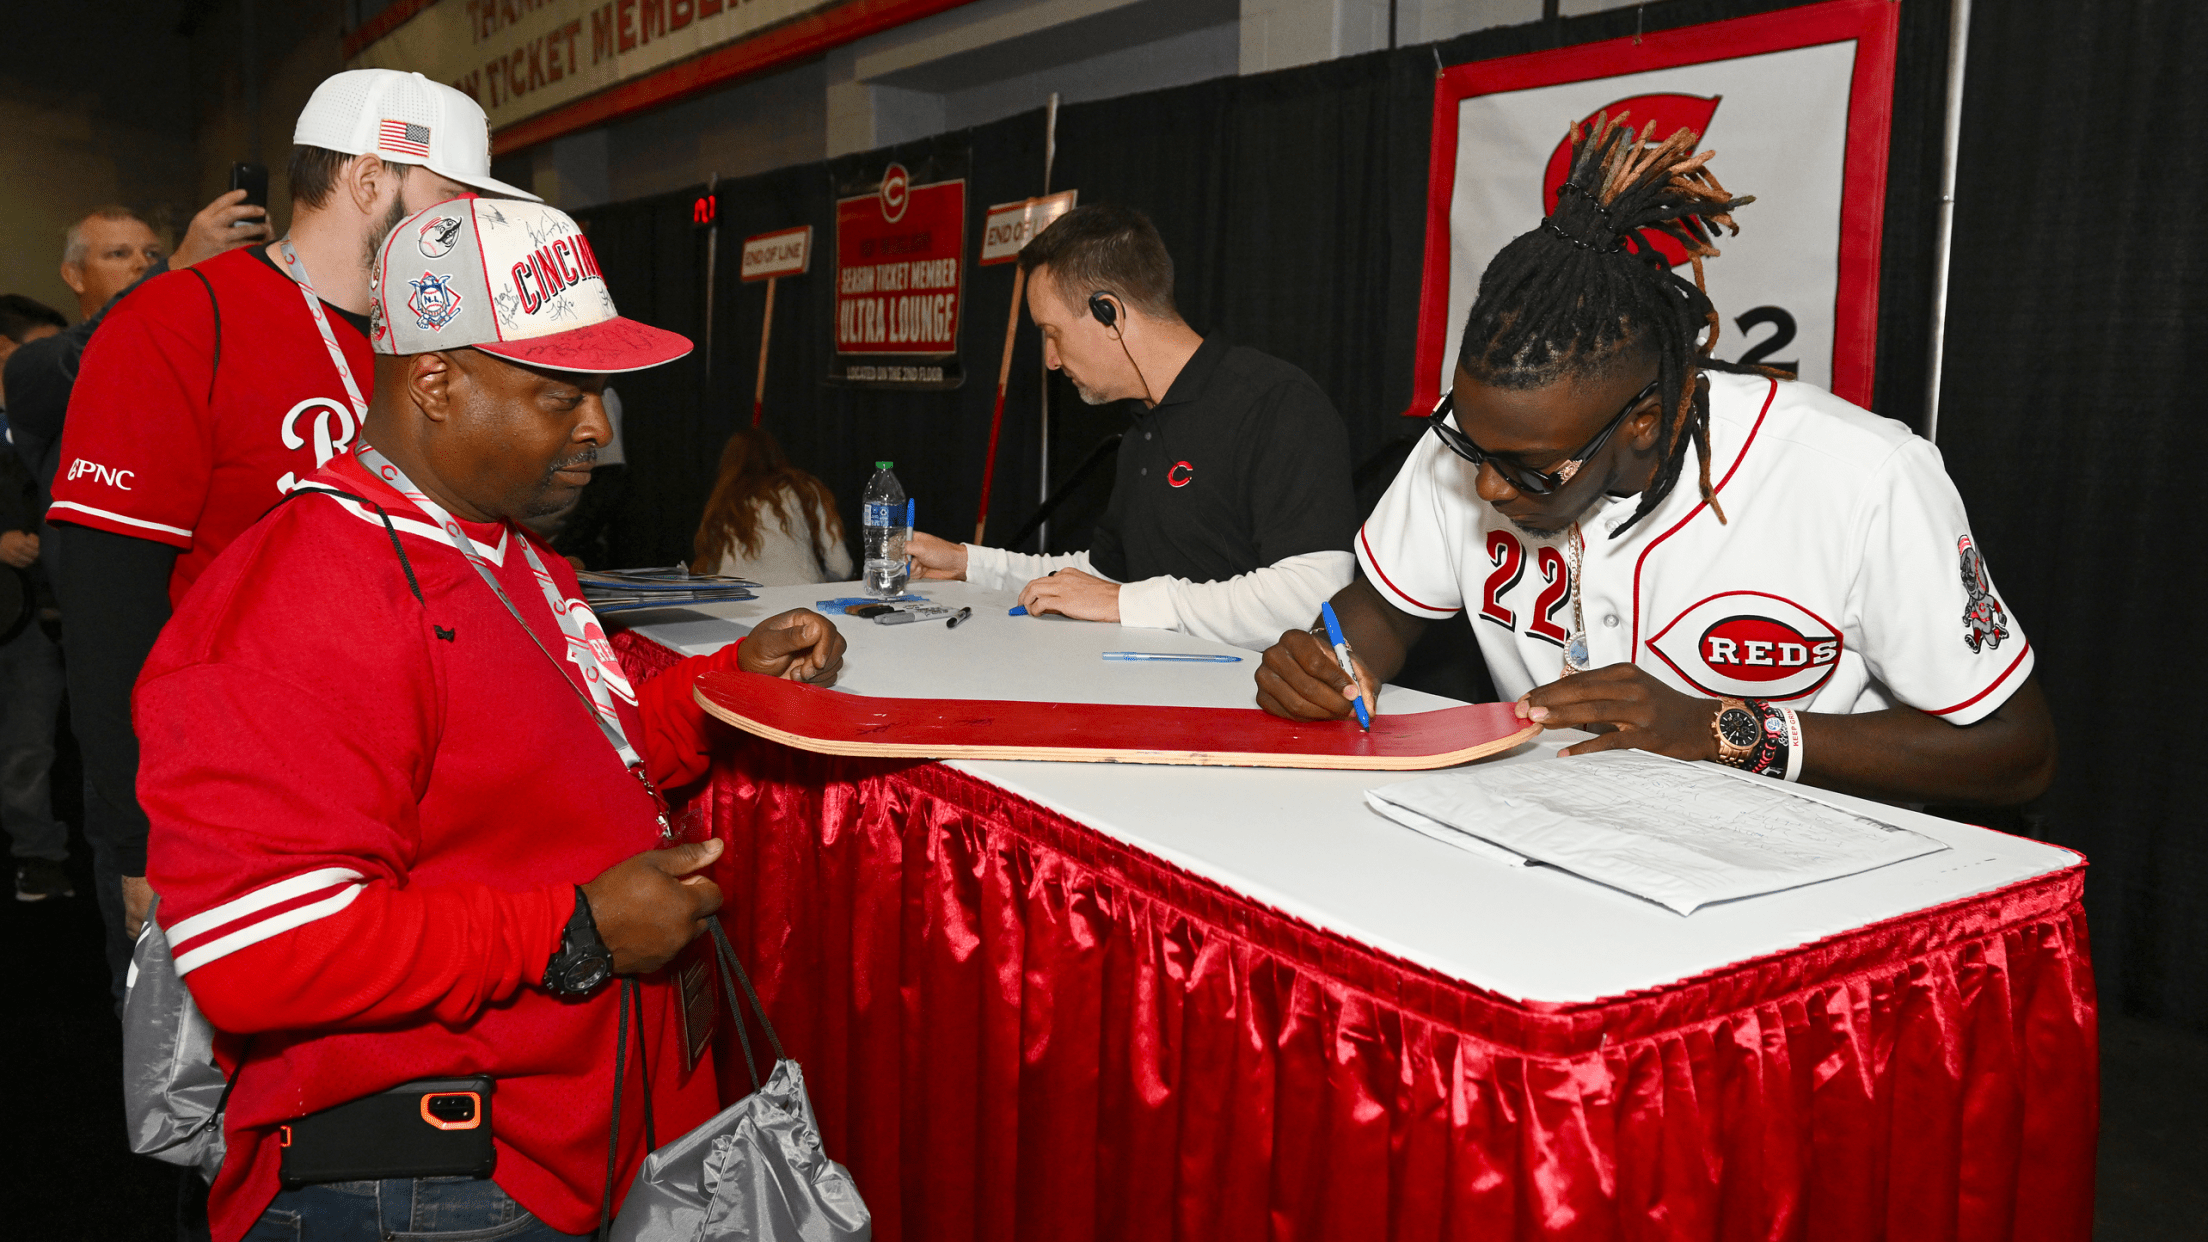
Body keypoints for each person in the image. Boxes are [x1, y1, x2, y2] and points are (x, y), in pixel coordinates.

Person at [136, 195, 847, 1242]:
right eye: (561, 395)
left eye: (599, 390)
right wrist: (576, 932)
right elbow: (260, 949)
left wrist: (714, 688)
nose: (600, 431)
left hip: (558, 1151)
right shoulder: (300, 598)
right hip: (428, 1186)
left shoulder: (504, 548)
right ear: (434, 381)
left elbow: (563, 759)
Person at [1256, 117, 2056, 807]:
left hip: (1796, 879)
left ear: (1643, 423)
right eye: (1471, 446)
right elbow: (1383, 611)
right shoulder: (1486, 437)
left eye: (1532, 470)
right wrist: (1331, 660)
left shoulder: (1860, 477)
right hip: (1539, 836)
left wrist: (1723, 731)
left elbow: (2017, 752)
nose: (1488, 485)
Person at [43, 69, 533, 999]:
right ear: (370, 178)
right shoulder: (177, 324)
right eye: (452, 195)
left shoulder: (438, 337)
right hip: (224, 798)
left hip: (409, 787)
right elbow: (108, 612)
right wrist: (142, 842)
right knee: (217, 1110)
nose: (466, 222)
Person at [904, 205, 1356, 651]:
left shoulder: (1276, 403)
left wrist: (1127, 602)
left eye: (1052, 332)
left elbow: (1313, 597)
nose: (1051, 360)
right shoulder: (1143, 430)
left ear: (1109, 313)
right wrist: (968, 563)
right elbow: (1104, 578)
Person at [5, 198, 270, 518]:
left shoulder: (196, 358)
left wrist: (261, 267)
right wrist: (174, 267)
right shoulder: (36, 364)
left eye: (152, 254)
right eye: (118, 254)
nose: (142, 264)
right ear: (75, 276)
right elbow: (100, 346)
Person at [0, 294, 70, 900]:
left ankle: (43, 854)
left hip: (51, 615)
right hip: (11, 611)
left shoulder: (58, 418)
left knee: (36, 746)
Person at [691, 425, 853, 584]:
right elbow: (841, 568)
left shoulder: (725, 499)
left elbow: (704, 569)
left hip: (736, 599)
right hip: (799, 597)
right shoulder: (805, 490)